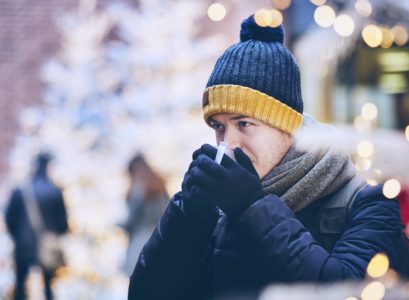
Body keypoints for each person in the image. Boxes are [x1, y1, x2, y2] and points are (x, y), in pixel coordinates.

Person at [128, 15, 403, 299]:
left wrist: (252, 207)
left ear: (287, 128)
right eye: (219, 127)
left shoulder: (368, 203)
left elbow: (347, 290)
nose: (229, 143)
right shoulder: (222, 214)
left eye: (244, 124)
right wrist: (188, 214)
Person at [5, 153, 68, 300]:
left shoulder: (19, 191)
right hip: (47, 246)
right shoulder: (54, 192)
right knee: (48, 288)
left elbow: (9, 219)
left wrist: (18, 237)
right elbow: (62, 223)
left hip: (23, 246)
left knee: (20, 287)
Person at [121, 154, 168, 276]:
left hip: (141, 240)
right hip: (160, 237)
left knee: (138, 277)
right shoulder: (160, 185)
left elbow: (134, 219)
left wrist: (122, 225)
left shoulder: (138, 189)